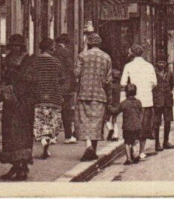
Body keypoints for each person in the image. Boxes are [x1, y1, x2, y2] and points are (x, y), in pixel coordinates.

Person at [0, 34, 33, 180]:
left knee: (22, 134)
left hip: (23, 102)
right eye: (12, 45)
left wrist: (16, 86)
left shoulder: (27, 60)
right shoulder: (7, 59)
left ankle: (22, 167)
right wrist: (2, 87)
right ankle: (15, 165)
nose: (15, 48)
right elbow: (4, 77)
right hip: (10, 102)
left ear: (22, 46)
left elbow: (29, 80)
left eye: (17, 45)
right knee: (10, 134)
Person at [25, 38, 65, 159]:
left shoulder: (34, 61)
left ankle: (43, 140)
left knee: (40, 121)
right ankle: (47, 142)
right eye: (53, 46)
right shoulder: (56, 62)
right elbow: (62, 79)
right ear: (50, 48)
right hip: (53, 96)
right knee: (51, 121)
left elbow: (28, 78)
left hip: (38, 96)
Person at [75, 33, 113, 162]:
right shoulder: (106, 57)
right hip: (100, 94)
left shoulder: (82, 55)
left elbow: (77, 73)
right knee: (97, 122)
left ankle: (88, 146)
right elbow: (108, 80)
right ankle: (94, 150)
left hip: (84, 92)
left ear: (89, 43)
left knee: (84, 121)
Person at [120, 44, 157, 161]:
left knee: (133, 127)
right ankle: (141, 152)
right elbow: (154, 82)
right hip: (146, 100)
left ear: (132, 53)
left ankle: (132, 151)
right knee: (145, 127)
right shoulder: (149, 66)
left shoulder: (128, 66)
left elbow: (122, 83)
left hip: (133, 101)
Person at [108, 83, 143, 165]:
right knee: (135, 141)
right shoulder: (139, 102)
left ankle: (129, 159)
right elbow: (141, 112)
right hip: (137, 125)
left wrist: (109, 107)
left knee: (127, 142)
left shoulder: (124, 103)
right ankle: (136, 154)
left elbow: (115, 111)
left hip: (127, 127)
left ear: (126, 93)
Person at [54, 33, 77, 143]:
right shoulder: (66, 53)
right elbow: (70, 69)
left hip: (53, 85)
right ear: (66, 43)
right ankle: (68, 136)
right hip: (65, 86)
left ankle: (52, 136)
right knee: (66, 110)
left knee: (54, 109)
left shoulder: (52, 52)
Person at [152, 58, 174, 151]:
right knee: (157, 122)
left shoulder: (169, 73)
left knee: (168, 121)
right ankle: (157, 143)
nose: (161, 64)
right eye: (159, 62)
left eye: (163, 62)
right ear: (156, 63)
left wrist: (167, 93)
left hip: (167, 100)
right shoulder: (154, 73)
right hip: (158, 100)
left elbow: (171, 85)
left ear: (166, 63)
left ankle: (166, 141)